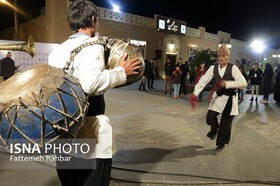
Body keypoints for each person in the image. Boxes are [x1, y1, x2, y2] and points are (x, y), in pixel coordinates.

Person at [48, 0, 141, 185]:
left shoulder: (59, 49)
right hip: (89, 127)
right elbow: (91, 84)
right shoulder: (92, 45)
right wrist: (122, 72)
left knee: (70, 180)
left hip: (64, 126)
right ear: (93, 19)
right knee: (93, 180)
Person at [190, 44, 247, 151]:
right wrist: (195, 93)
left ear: (228, 57)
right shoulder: (213, 68)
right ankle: (214, 128)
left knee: (225, 124)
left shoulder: (233, 68)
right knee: (209, 118)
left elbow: (244, 83)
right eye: (219, 56)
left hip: (230, 99)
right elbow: (203, 81)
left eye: (224, 56)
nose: (221, 58)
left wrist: (227, 84)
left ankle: (221, 143)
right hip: (218, 98)